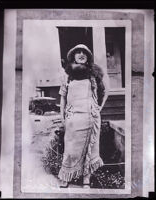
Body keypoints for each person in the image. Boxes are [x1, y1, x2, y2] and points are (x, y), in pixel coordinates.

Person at [58, 44, 109, 188]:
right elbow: (62, 97)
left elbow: (105, 92)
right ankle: (66, 176)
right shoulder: (67, 75)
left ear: (88, 57)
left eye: (84, 53)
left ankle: (86, 178)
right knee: (70, 148)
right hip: (73, 118)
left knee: (91, 148)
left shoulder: (94, 74)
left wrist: (99, 108)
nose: (81, 54)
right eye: (78, 52)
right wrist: (62, 117)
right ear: (73, 56)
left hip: (91, 118)